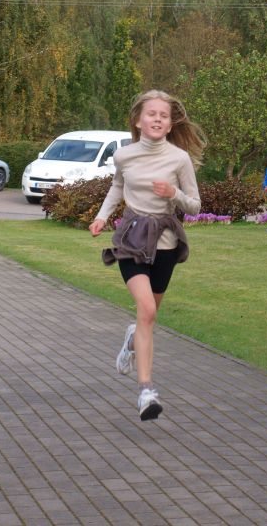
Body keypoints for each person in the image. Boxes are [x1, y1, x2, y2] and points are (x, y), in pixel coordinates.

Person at [89, 90, 206, 421]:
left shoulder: (179, 159)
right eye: (151, 114)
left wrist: (173, 193)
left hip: (165, 243)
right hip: (132, 240)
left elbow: (195, 206)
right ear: (138, 121)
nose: (157, 119)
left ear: (170, 125)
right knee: (147, 310)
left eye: (163, 116)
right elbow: (117, 186)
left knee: (147, 318)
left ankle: (131, 341)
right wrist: (101, 216)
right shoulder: (124, 155)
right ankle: (146, 391)